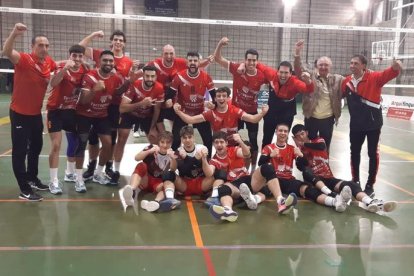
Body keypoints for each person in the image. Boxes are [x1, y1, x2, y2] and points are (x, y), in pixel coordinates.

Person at [3, 23, 57, 201]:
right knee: (20, 151)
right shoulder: (24, 59)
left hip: (35, 114)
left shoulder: (49, 62)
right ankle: (24, 189)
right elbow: (6, 51)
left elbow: (60, 71)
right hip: (19, 113)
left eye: (47, 45)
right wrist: (14, 34)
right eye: (40, 45)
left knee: (36, 147)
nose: (44, 48)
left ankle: (32, 178)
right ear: (33, 47)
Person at [291, 123, 397, 213]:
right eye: (297, 136)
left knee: (351, 185)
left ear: (307, 132)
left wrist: (304, 144)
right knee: (307, 172)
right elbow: (301, 167)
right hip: (315, 181)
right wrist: (300, 153)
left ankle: (371, 202)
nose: (301, 137)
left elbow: (322, 147)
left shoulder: (319, 140)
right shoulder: (298, 151)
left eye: (302, 133)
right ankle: (333, 196)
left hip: (328, 178)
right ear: (295, 138)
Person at [246, 124, 351, 214]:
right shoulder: (268, 147)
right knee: (266, 190)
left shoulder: (292, 149)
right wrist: (270, 156)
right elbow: (261, 163)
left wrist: (301, 156)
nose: (283, 133)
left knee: (307, 189)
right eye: (280, 131)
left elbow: (304, 165)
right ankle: (254, 200)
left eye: (285, 131)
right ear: (276, 132)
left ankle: (334, 202)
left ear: (288, 134)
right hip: (274, 179)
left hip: (288, 179)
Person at [79, 30, 136, 184]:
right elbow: (79, 48)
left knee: (110, 138)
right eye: (115, 39)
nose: (118, 42)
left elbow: (124, 85)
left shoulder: (128, 62)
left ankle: (108, 167)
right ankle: (91, 166)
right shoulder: (100, 54)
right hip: (94, 103)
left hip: (114, 106)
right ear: (111, 42)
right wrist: (93, 35)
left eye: (121, 40)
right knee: (92, 138)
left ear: (124, 43)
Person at [341, 55, 402, 197]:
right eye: (351, 63)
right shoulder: (347, 81)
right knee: (354, 152)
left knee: (372, 154)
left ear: (364, 66)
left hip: (373, 124)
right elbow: (340, 96)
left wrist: (395, 66)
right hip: (356, 124)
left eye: (356, 63)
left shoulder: (374, 77)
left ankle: (370, 184)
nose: (352, 65)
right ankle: (355, 181)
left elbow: (389, 73)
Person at [214, 37, 267, 170]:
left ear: (257, 61)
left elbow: (274, 81)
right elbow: (218, 59)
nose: (251, 62)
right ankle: (227, 165)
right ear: (245, 60)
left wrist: (264, 104)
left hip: (251, 111)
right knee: (229, 138)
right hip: (235, 110)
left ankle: (253, 168)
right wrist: (220, 44)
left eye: (254, 60)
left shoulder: (261, 75)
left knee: (253, 141)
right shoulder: (237, 68)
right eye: (249, 60)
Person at [74, 50, 124, 191]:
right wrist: (94, 90)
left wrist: (131, 80)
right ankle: (79, 179)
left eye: (110, 61)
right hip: (84, 115)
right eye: (105, 60)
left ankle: (98, 173)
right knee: (82, 143)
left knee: (108, 143)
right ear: (99, 62)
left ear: (113, 63)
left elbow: (119, 92)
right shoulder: (90, 77)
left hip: (101, 115)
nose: (108, 63)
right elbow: (83, 101)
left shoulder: (115, 78)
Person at [46, 44, 88, 194]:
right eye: (74, 56)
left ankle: (73, 175)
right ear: (69, 56)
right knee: (56, 145)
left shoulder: (85, 69)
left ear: (83, 57)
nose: (77, 59)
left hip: (71, 111)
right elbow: (53, 83)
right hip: (55, 111)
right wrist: (64, 69)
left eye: (79, 56)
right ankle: (53, 182)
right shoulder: (62, 67)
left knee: (78, 143)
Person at [113, 65, 164, 184]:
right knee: (122, 137)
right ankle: (116, 170)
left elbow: (157, 110)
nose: (150, 79)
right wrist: (141, 103)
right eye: (147, 76)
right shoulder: (135, 85)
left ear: (156, 77)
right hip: (130, 113)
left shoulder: (159, 88)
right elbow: (122, 108)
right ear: (143, 76)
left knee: (155, 139)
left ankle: (157, 169)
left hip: (147, 115)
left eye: (152, 76)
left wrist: (152, 128)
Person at [293, 40, 344, 153]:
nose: (323, 67)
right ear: (317, 66)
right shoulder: (310, 76)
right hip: (311, 118)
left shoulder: (338, 79)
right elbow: (298, 69)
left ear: (330, 67)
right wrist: (297, 53)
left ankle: (324, 168)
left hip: (328, 119)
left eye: (326, 65)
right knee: (309, 145)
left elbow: (351, 82)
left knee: (325, 147)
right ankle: (308, 168)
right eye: (321, 65)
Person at [173, 86, 268, 146]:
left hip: (234, 144)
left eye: (224, 96)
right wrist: (178, 111)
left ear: (228, 98)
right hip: (220, 145)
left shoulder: (235, 110)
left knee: (247, 150)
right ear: (215, 98)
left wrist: (262, 113)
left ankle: (246, 173)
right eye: (219, 96)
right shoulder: (211, 113)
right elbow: (191, 120)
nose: (221, 98)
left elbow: (253, 119)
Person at [118, 131, 181, 212]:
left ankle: (156, 202)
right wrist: (149, 151)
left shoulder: (174, 153)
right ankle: (132, 191)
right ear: (158, 142)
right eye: (162, 142)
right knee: (141, 165)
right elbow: (136, 158)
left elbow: (173, 169)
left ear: (171, 143)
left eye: (168, 143)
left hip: (159, 183)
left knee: (167, 184)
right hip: (146, 180)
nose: (165, 145)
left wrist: (172, 158)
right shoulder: (151, 147)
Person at [203, 132, 258, 222]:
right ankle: (228, 211)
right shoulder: (214, 160)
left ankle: (250, 197)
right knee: (222, 189)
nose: (219, 144)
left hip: (244, 179)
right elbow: (209, 173)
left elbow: (247, 154)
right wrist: (204, 159)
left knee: (242, 184)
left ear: (226, 143)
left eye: (221, 142)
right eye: (216, 142)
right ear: (213, 144)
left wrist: (240, 141)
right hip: (233, 185)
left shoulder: (234, 150)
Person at [167, 51, 216, 154]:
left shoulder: (206, 77)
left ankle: (207, 164)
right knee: (175, 141)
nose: (193, 62)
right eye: (190, 60)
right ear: (187, 63)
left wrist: (213, 104)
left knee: (208, 140)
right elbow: (170, 95)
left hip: (200, 112)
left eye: (195, 60)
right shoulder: (179, 76)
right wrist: (173, 102)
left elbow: (214, 96)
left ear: (199, 62)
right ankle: (173, 165)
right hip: (183, 112)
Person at [258, 61, 314, 148]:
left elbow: (309, 90)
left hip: (287, 111)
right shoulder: (271, 74)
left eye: (286, 73)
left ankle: (284, 158)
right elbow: (256, 64)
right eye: (281, 72)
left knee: (283, 138)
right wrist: (242, 65)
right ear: (277, 71)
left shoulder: (295, 83)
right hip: (272, 109)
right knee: (266, 138)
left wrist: (308, 81)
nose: (283, 75)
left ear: (291, 73)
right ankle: (264, 159)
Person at [172, 126, 214, 197]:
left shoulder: (202, 148)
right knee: (169, 174)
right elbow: (184, 170)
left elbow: (208, 174)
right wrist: (193, 159)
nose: (187, 140)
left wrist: (203, 158)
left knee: (219, 172)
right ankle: (169, 196)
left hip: (202, 183)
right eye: (184, 138)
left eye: (189, 137)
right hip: (184, 184)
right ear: (181, 139)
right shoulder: (178, 151)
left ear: (194, 137)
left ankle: (214, 196)